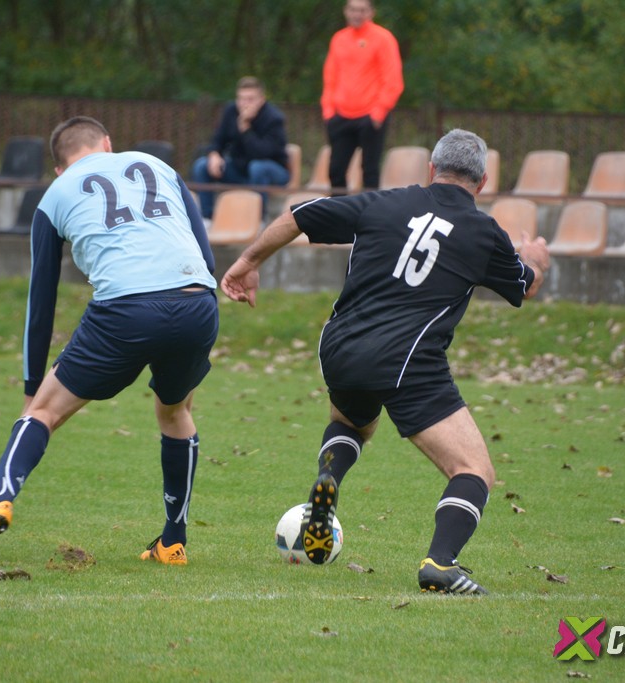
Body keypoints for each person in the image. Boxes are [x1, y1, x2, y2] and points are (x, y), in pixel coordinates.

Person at [221, 129, 550, 594]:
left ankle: (329, 477)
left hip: (341, 347)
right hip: (408, 360)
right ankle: (440, 564)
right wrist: (535, 259)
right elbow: (524, 285)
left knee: (353, 422)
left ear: (431, 169)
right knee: (474, 471)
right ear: (483, 181)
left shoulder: (383, 202)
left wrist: (248, 262)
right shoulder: (484, 233)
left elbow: (299, 216)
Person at [0, 116, 219, 566]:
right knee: (176, 412)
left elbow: (41, 301)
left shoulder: (56, 194)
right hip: (196, 302)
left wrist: (32, 387)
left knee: (42, 413)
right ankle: (173, 542)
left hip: (125, 309)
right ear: (108, 144)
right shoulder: (157, 165)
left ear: (59, 167)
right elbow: (205, 256)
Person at [321, 0, 404, 192]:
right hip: (341, 116)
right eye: (352, 9)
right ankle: (339, 210)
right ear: (345, 11)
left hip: (370, 115)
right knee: (336, 170)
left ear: (371, 12)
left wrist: (379, 113)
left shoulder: (383, 38)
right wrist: (328, 112)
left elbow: (393, 80)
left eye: (362, 10)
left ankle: (369, 210)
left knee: (370, 171)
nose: (357, 14)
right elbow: (330, 78)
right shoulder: (339, 39)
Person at [191, 76, 290, 218]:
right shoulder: (231, 111)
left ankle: (259, 219)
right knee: (201, 165)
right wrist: (214, 155)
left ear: (261, 100)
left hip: (272, 171)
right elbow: (217, 140)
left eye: (250, 99)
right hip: (239, 170)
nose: (245, 104)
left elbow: (262, 153)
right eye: (241, 99)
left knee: (257, 167)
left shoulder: (274, 118)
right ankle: (207, 218)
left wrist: (245, 128)